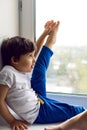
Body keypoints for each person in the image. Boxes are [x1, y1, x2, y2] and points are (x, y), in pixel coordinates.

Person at [0, 20, 85, 130]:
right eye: (30, 56)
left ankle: (51, 41)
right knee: (75, 110)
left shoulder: (20, 68)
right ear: (15, 60)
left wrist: (45, 33)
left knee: (39, 67)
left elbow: (35, 49)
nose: (33, 58)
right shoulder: (8, 73)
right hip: (39, 111)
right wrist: (12, 121)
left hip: (36, 95)